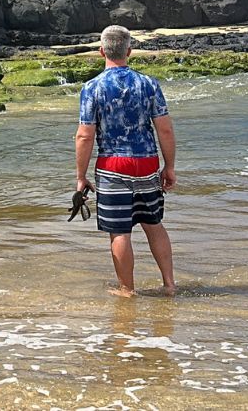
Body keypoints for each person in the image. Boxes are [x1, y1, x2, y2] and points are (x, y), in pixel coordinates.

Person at [74, 25, 177, 297]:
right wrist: (170, 166)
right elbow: (164, 129)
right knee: (153, 225)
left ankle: (126, 289)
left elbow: (85, 136)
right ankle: (169, 284)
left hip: (112, 165)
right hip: (147, 163)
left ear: (101, 52)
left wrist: (81, 177)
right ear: (129, 51)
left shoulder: (92, 88)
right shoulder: (148, 84)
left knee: (119, 231)